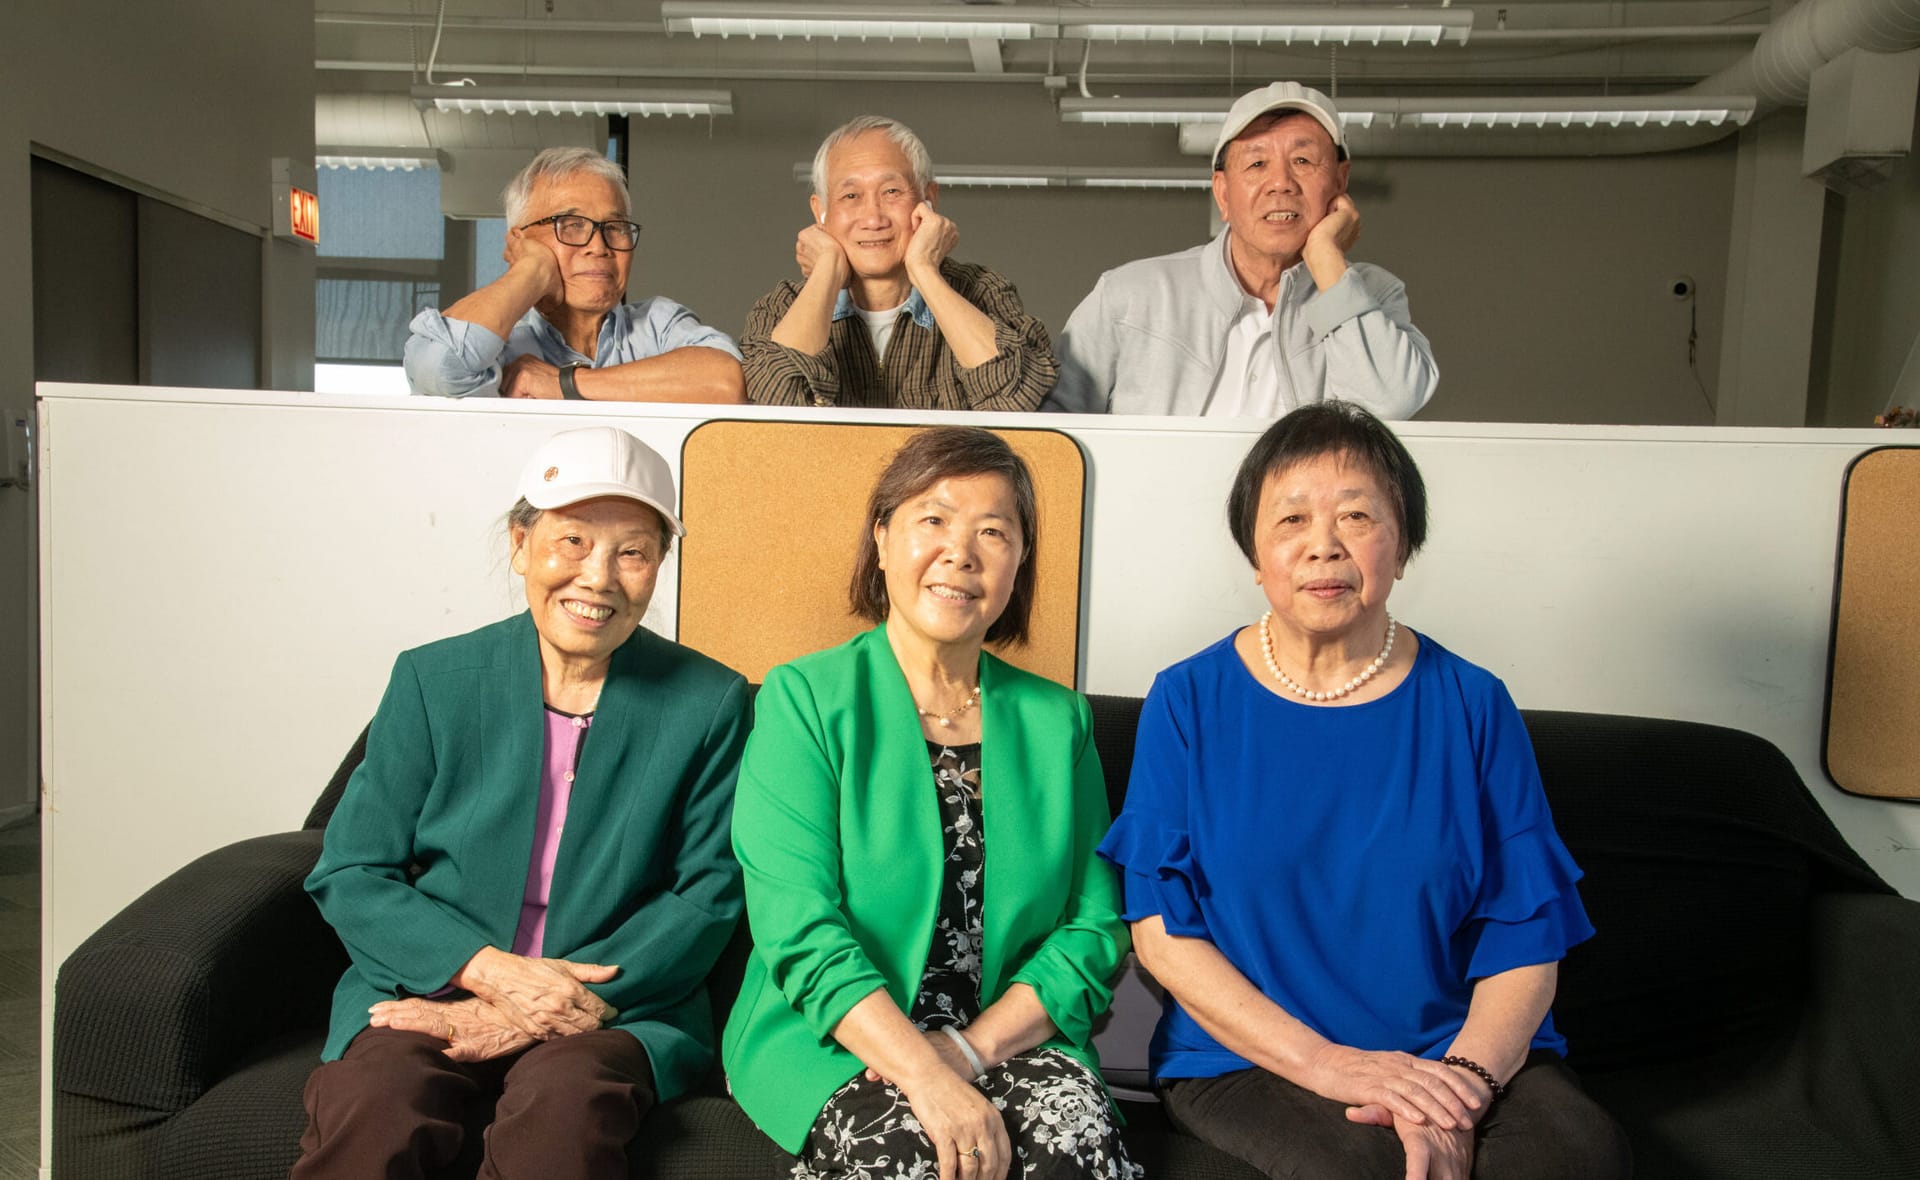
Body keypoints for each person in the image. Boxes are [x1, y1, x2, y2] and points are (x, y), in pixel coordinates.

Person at [1098, 402, 1629, 1179]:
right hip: (1251, 1060)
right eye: (1291, 520)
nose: (1324, 545)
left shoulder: (1475, 704)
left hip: (1454, 1052)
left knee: (1576, 1158)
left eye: (1357, 515)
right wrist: (1331, 1066)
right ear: (1255, 552)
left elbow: (1528, 939)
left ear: (1403, 545)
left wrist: (1461, 1088)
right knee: (1360, 1170)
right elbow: (1164, 938)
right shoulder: (1186, 701)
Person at [293, 426, 750, 1178]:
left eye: (632, 552)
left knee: (563, 1120)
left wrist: (550, 1000)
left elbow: (708, 890)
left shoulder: (709, 702)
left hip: (618, 1003)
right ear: (520, 542)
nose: (598, 577)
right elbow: (351, 870)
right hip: (430, 984)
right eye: (571, 541)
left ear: (659, 565)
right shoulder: (433, 680)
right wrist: (487, 974)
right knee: (376, 1107)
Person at [724, 427, 1137, 1180]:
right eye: (934, 520)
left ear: (1019, 563)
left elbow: (1095, 925)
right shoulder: (805, 700)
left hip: (1010, 1039)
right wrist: (923, 1073)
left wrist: (966, 1052)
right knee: (914, 1157)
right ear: (882, 540)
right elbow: (796, 926)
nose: (962, 552)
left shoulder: (1058, 722)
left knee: (1070, 1151)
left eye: (994, 532)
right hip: (839, 1041)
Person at [1046, 82, 1437, 419]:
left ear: (1339, 181)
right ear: (1223, 193)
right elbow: (1051, 434)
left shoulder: (1376, 296)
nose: (1280, 183)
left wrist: (1324, 257)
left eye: (1303, 160)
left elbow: (1391, 403)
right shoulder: (1128, 295)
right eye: (1257, 163)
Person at [740, 117, 1058, 411]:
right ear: (820, 212)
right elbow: (774, 409)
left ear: (928, 199)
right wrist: (825, 270)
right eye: (850, 196)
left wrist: (924, 270)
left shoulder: (982, 291)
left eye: (892, 191)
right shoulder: (782, 306)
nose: (873, 218)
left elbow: (1017, 397)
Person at [405, 147, 745, 402]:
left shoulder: (657, 324)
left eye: (615, 227)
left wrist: (564, 383)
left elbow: (726, 381)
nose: (599, 246)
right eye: (571, 225)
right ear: (519, 242)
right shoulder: (500, 351)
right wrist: (532, 270)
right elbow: (439, 368)